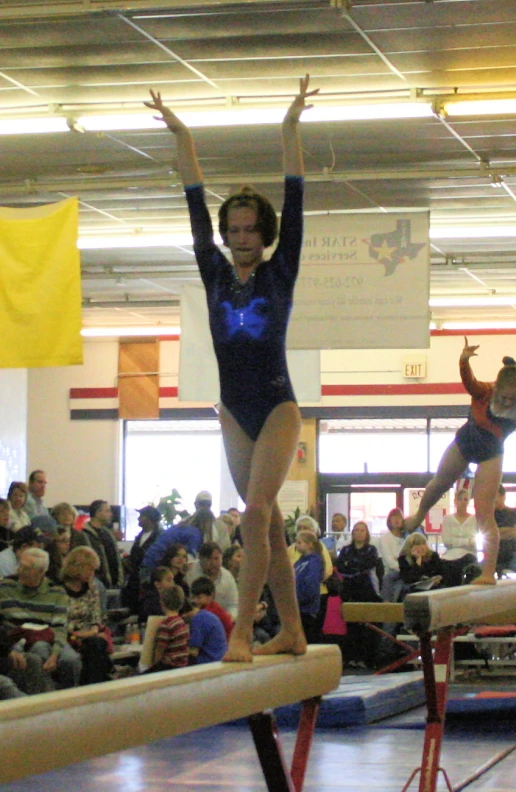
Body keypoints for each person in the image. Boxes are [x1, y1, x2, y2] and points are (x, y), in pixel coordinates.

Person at [145, 74, 318, 662]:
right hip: (232, 410)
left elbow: (296, 194)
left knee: (257, 511)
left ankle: (244, 630)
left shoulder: (280, 270)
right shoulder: (214, 272)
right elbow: (193, 197)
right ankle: (292, 631)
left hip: (277, 404)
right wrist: (183, 136)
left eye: (251, 229)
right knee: (266, 527)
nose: (242, 237)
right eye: (234, 230)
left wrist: (290, 128)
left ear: (266, 234)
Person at [404, 340, 516, 584]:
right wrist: (464, 360)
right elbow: (468, 381)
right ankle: (419, 515)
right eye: (506, 398)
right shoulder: (484, 392)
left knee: (484, 513)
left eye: (513, 399)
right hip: (464, 443)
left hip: (491, 454)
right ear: (497, 389)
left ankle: (488, 573)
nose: (509, 403)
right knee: (439, 483)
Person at [0, 548, 81, 691]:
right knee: (40, 650)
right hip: (19, 638)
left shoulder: (56, 591)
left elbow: (60, 627)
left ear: (41, 572)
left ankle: (68, 701)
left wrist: (55, 654)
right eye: (20, 565)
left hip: (51, 636)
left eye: (26, 568)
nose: (19, 570)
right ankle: (44, 700)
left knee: (71, 660)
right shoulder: (5, 587)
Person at [62, 546, 113, 685]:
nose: (92, 573)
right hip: (67, 636)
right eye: (90, 569)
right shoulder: (59, 590)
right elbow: (61, 622)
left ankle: (94, 686)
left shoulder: (92, 588)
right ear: (78, 567)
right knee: (95, 646)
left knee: (96, 644)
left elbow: (96, 617)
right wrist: (82, 634)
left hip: (88, 634)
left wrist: (91, 632)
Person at [122, 505, 163, 613]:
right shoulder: (140, 536)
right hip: (135, 581)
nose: (138, 518)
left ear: (150, 519)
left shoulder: (159, 537)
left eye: (142, 516)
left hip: (149, 582)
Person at [186, 542, 239, 620]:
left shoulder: (228, 577)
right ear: (200, 558)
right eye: (209, 559)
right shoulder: (189, 573)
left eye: (216, 558)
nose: (214, 563)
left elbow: (233, 605)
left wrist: (230, 617)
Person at [440, 489, 479, 586]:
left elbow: (473, 541)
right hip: (450, 555)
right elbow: (446, 541)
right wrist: (466, 541)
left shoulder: (474, 519)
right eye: (460, 499)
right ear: (455, 501)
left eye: (465, 500)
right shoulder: (447, 519)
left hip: (468, 555)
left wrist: (455, 541)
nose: (462, 502)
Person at [336, 521, 382, 603]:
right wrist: (357, 565)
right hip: (348, 587)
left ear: (366, 533)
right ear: (353, 533)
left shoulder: (371, 549)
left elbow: (368, 564)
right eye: (356, 530)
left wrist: (349, 564)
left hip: (366, 587)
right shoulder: (346, 550)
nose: (359, 533)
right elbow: (340, 567)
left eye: (362, 530)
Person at [147, 585, 189, 673]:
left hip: (169, 666)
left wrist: (154, 666)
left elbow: (160, 649)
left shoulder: (166, 624)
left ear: (162, 603)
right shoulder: (181, 622)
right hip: (182, 665)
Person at [82, 500, 124, 588]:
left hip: (114, 584)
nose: (111, 514)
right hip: (96, 585)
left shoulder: (108, 534)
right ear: (98, 513)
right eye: (107, 511)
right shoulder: (84, 535)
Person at [293, 530, 324, 644]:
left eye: (299, 542)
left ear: (310, 544)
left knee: (307, 640)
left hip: (307, 608)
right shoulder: (300, 561)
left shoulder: (314, 562)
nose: (296, 545)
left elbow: (311, 585)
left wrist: (300, 599)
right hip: (298, 606)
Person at [181, 597, 228, 665]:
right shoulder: (206, 615)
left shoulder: (198, 620)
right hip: (219, 657)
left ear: (184, 614)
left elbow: (194, 651)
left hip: (209, 661)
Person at [190, 576, 233, 641]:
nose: (195, 601)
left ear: (211, 595)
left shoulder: (213, 610)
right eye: (194, 597)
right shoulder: (207, 607)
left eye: (199, 597)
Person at [494, 484, 516, 575]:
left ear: (503, 496)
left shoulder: (513, 513)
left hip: (512, 553)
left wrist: (499, 531)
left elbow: (515, 533)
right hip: (494, 554)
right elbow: (491, 534)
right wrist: (509, 530)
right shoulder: (490, 515)